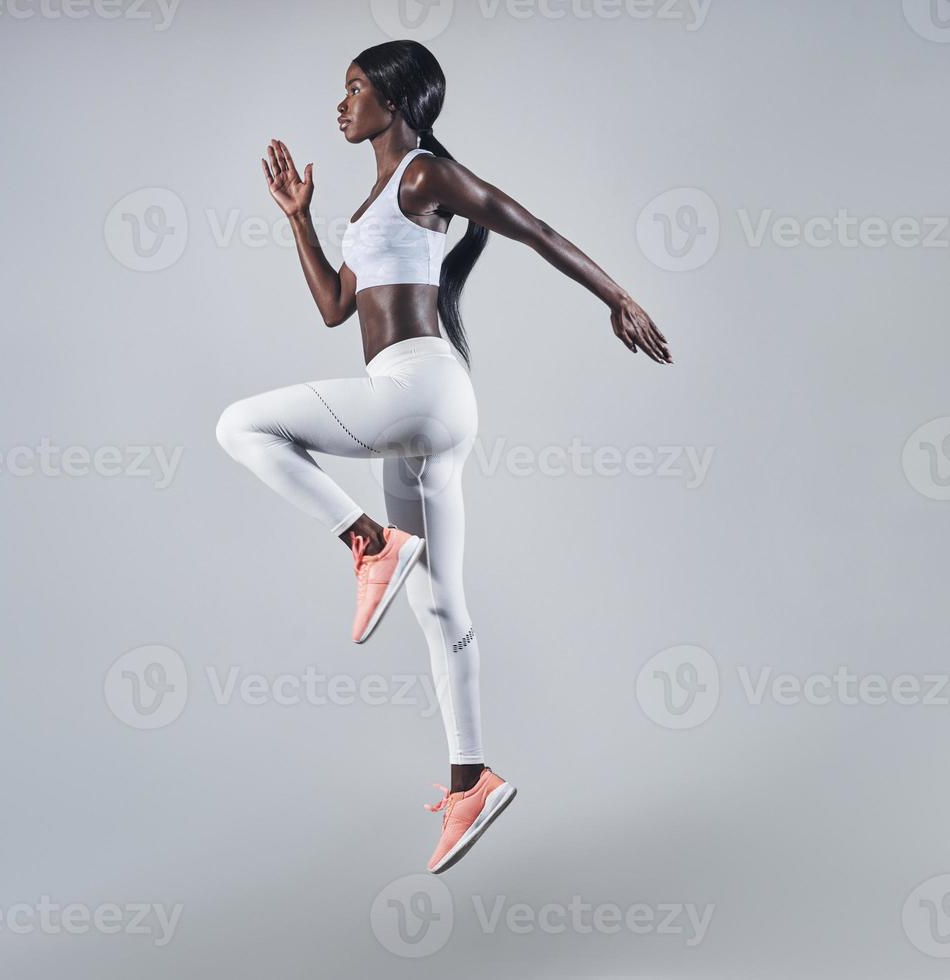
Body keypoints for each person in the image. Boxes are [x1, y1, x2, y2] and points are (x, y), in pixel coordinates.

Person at [215, 39, 671, 874]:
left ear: (396, 100)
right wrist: (298, 219)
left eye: (355, 89)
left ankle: (366, 542)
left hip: (419, 387)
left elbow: (530, 227)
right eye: (342, 90)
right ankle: (471, 779)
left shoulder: (424, 175)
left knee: (240, 426)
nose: (341, 104)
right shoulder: (371, 205)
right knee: (439, 607)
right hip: (423, 406)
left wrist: (621, 298)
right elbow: (333, 308)